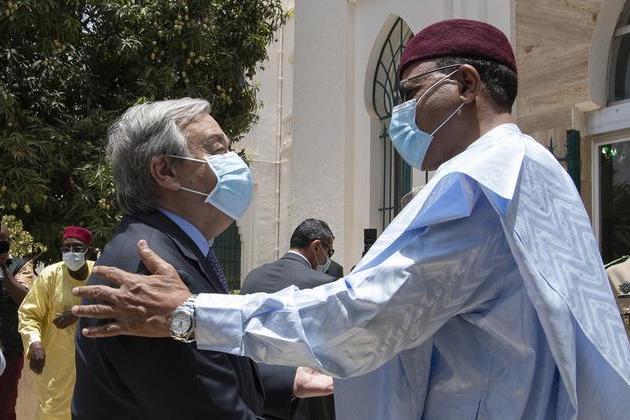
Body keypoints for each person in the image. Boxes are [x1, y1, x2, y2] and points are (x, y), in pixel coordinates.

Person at [72, 20, 630, 419]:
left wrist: (190, 313)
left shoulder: (482, 184)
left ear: (465, 85)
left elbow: (365, 314)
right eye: (215, 149)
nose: (399, 117)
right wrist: (295, 376)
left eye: (412, 94)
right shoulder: (534, 168)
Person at [71, 98, 331, 420]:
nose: (235, 161)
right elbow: (208, 403)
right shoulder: (150, 269)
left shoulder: (177, 248)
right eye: (217, 149)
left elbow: (206, 364)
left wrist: (288, 380)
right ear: (166, 171)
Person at [241, 218, 337, 420]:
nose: (328, 259)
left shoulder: (253, 277)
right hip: (306, 403)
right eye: (329, 253)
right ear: (316, 247)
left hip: (255, 396)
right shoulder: (325, 285)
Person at [18, 226, 94, 420]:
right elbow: (28, 314)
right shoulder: (50, 276)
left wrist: (77, 313)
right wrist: (35, 343)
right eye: (66, 248)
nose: (71, 253)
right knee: (53, 413)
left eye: (77, 248)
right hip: (57, 366)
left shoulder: (99, 275)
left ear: (88, 251)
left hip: (91, 365)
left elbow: (111, 307)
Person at [0, 222, 29, 420]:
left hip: (10, 350)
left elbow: (26, 299)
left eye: (2, 242)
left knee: (5, 407)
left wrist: (3, 267)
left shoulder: (21, 266)